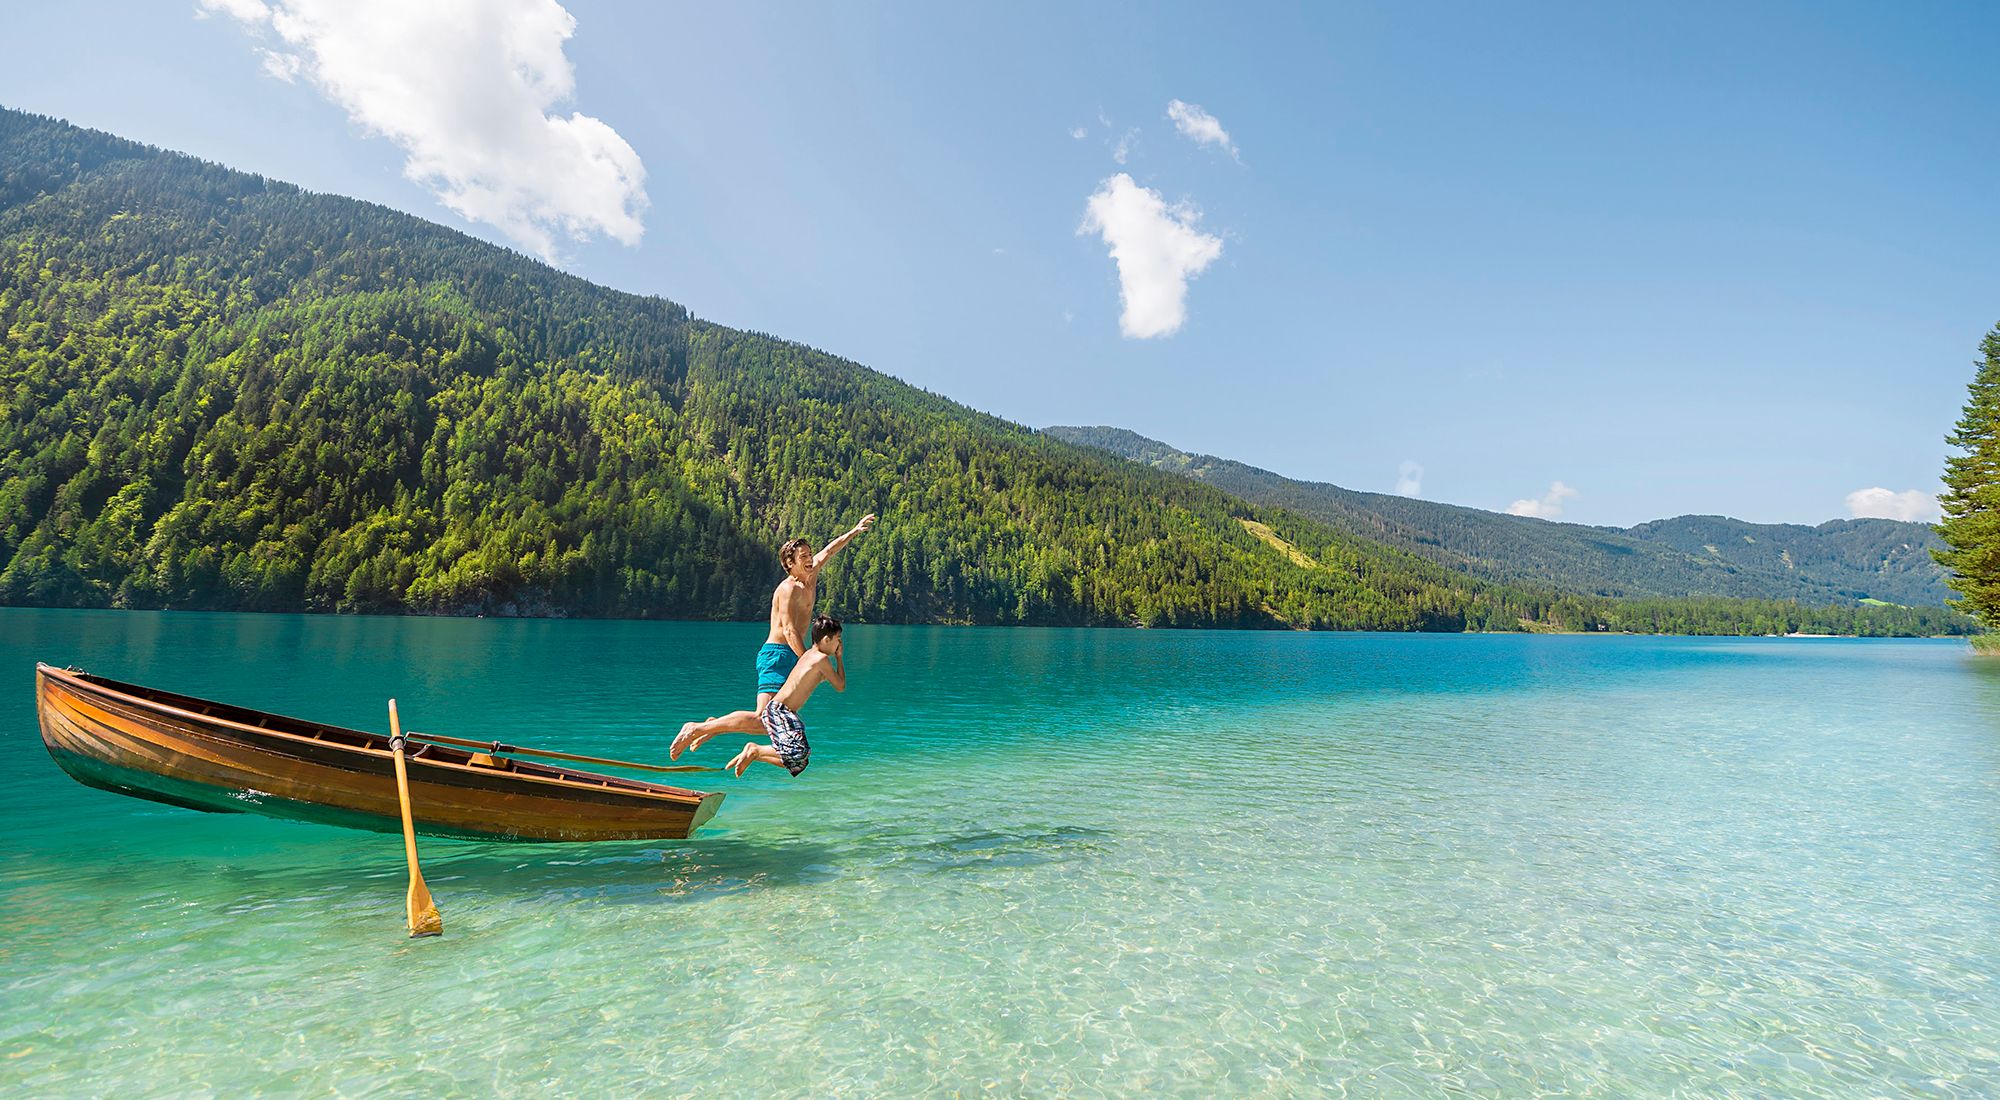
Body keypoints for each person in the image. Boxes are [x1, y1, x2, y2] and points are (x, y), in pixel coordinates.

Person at [670, 513, 874, 759]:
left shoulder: (811, 574)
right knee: (763, 719)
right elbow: (788, 630)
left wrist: (854, 530)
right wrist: (807, 661)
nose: (810, 559)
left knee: (773, 722)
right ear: (790, 563)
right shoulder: (787, 589)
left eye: (810, 554)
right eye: (803, 556)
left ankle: (713, 726)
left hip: (791, 655)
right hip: (777, 655)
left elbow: (830, 550)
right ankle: (697, 728)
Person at [681, 615, 846, 777]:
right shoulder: (821, 659)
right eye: (838, 639)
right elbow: (840, 686)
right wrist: (839, 658)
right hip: (780, 711)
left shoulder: (808, 655)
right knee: (798, 752)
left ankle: (755, 753)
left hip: (783, 711)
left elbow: (818, 678)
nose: (839, 643)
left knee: (799, 762)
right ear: (826, 639)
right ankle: (754, 749)